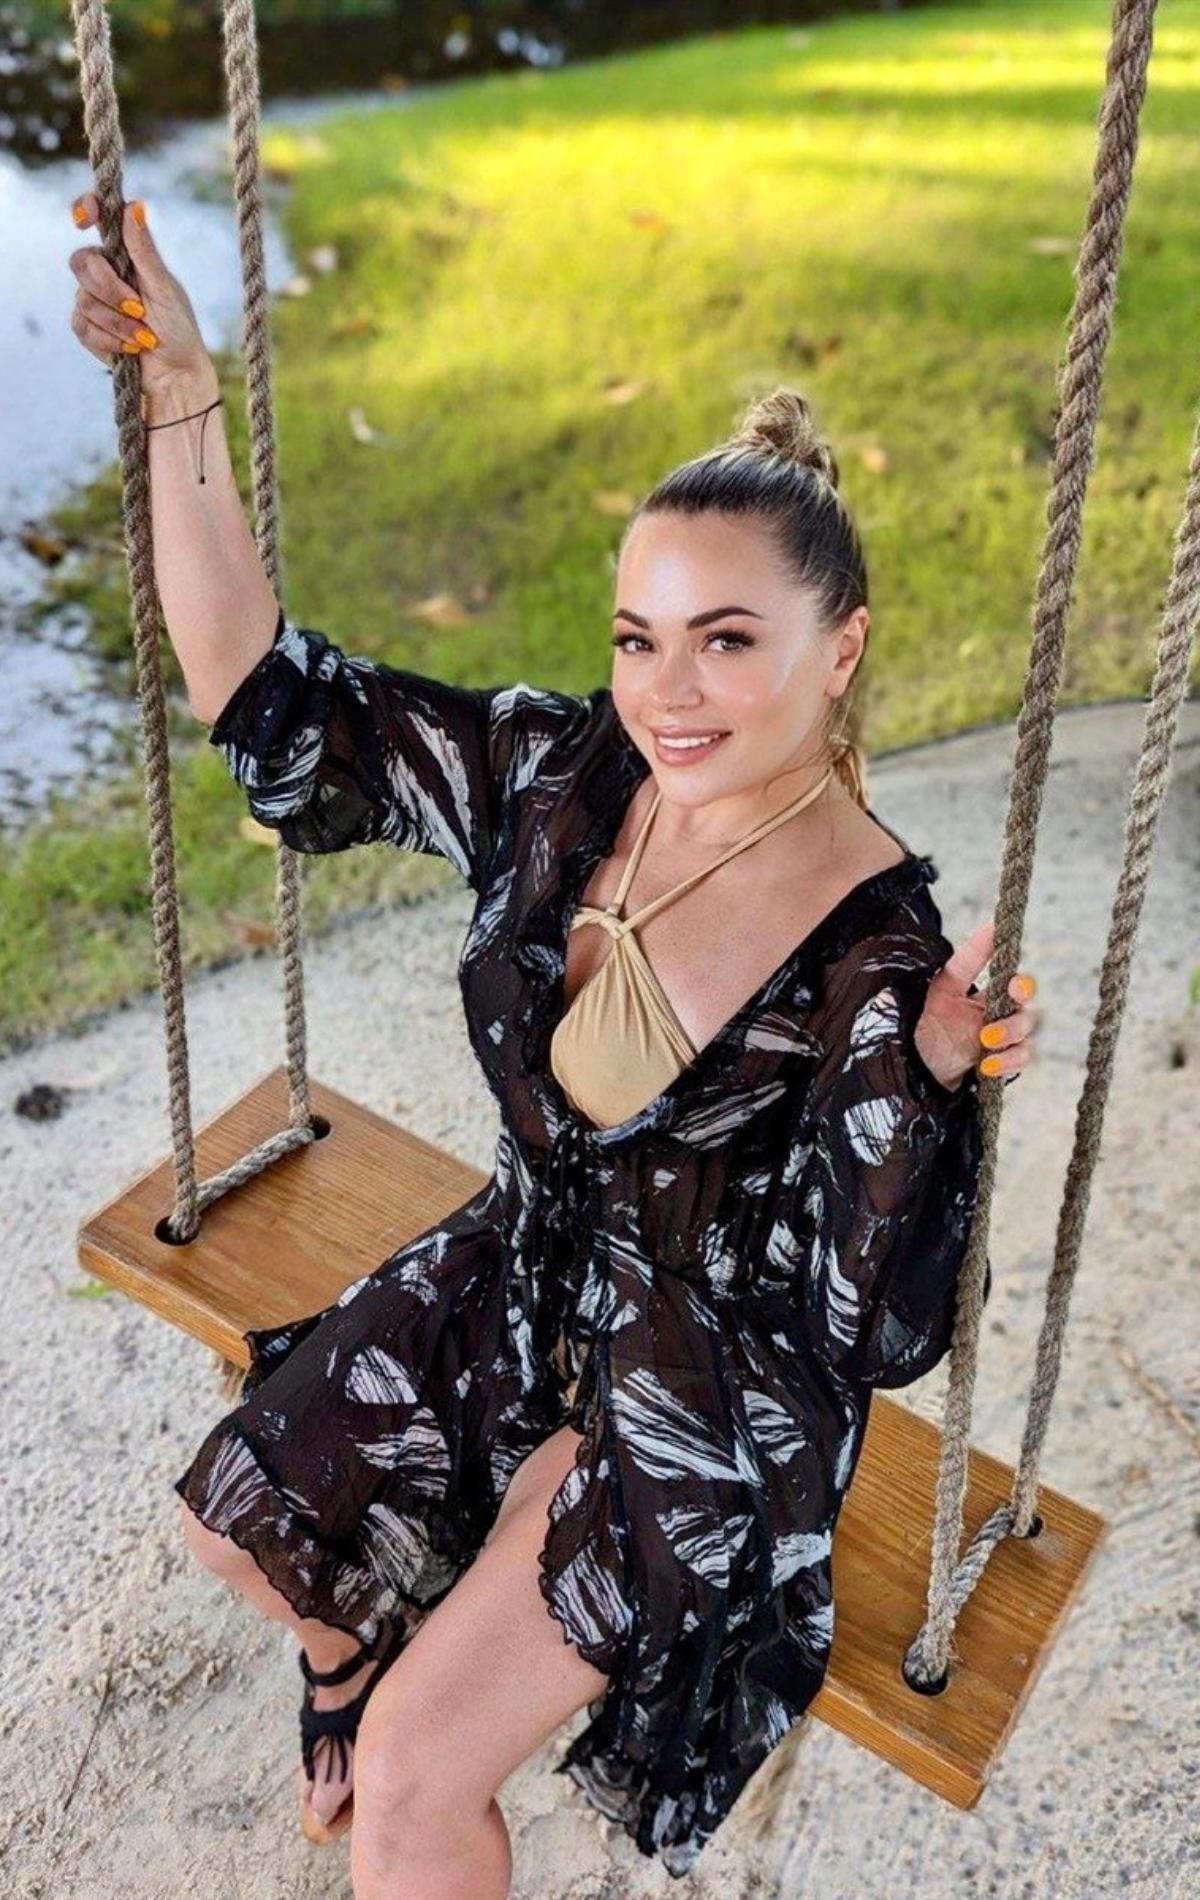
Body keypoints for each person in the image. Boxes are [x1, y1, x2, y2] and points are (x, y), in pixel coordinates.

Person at [67, 195, 1039, 1893]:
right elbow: (268, 700)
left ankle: (416, 1683)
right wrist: (185, 403)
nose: (670, 694)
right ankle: (354, 1650)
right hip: (527, 1276)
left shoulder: (880, 959)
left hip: (710, 1389)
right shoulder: (563, 778)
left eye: (728, 643)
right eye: (639, 638)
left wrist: (931, 1082)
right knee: (235, 1526)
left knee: (415, 1777)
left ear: (843, 651)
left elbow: (870, 1327)